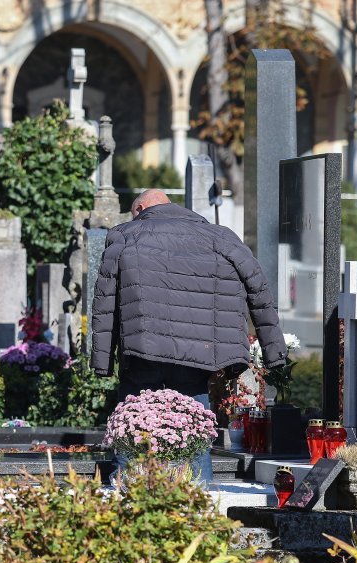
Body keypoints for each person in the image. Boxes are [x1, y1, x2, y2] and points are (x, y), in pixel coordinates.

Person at [90, 189, 286, 481]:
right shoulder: (221, 237)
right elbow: (258, 290)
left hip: (143, 347)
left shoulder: (125, 235)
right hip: (201, 353)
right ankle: (199, 493)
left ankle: (126, 492)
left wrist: (102, 361)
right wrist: (274, 352)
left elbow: (105, 300)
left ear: (141, 208)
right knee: (194, 421)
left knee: (132, 419)